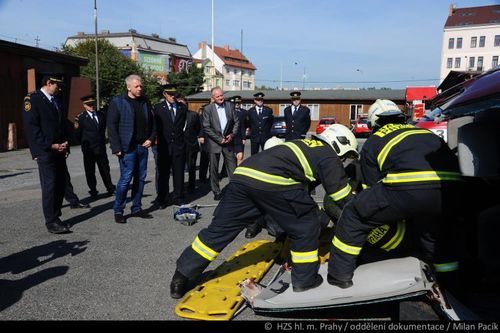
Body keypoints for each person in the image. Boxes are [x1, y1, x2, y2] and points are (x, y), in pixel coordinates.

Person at [169, 124, 358, 299]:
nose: (342, 161)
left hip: (243, 178)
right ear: (339, 143)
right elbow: (341, 195)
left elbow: (298, 193)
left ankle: (181, 277)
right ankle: (304, 281)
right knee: (307, 224)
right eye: (345, 156)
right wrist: (364, 209)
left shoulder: (301, 145)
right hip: (273, 183)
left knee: (219, 231)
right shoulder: (327, 154)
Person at [327, 99, 464, 290]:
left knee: (355, 214)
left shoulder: (374, 140)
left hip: (409, 187)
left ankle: (338, 276)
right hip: (451, 188)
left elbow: (372, 190)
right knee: (436, 235)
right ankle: (452, 287)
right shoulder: (423, 131)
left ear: (374, 123)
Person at [22, 75, 71, 234]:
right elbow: (32, 128)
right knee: (50, 186)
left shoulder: (56, 99)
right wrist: (50, 145)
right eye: (57, 84)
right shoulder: (33, 99)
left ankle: (56, 216)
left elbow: (60, 125)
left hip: (59, 149)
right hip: (46, 150)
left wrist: (65, 143)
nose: (60, 88)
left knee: (60, 184)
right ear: (48, 83)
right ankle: (51, 221)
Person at [107, 74, 155, 223]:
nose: (140, 88)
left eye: (141, 86)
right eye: (137, 86)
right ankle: (118, 210)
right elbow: (112, 126)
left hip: (142, 146)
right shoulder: (118, 101)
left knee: (140, 179)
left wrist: (151, 139)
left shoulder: (145, 101)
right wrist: (116, 147)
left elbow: (153, 123)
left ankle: (136, 208)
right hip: (127, 148)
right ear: (128, 87)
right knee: (126, 179)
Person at [74, 94, 115, 199]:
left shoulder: (101, 115)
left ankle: (110, 188)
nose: (92, 106)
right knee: (90, 171)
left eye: (93, 104)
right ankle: (93, 190)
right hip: (89, 150)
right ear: (84, 105)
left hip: (101, 148)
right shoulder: (81, 118)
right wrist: (84, 145)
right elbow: (77, 135)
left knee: (105, 169)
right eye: (89, 105)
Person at [202, 87, 240, 201]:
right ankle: (216, 191)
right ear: (213, 98)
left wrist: (232, 135)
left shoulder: (229, 106)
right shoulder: (208, 109)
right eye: (218, 96)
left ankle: (235, 190)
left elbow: (236, 122)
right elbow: (206, 127)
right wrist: (219, 139)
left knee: (232, 167)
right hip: (215, 143)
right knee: (214, 169)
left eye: (221, 95)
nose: (220, 98)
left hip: (228, 142)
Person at [153, 84, 187, 207]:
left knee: (178, 173)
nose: (173, 96)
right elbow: (155, 127)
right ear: (164, 94)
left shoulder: (182, 107)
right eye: (170, 94)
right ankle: (163, 197)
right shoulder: (158, 108)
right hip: (164, 147)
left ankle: (178, 197)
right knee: (163, 174)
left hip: (178, 146)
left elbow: (182, 125)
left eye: (174, 94)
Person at [178, 94, 201, 194]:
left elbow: (198, 129)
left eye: (184, 103)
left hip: (191, 145)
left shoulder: (193, 115)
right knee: (179, 168)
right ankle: (180, 187)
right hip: (179, 146)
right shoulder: (175, 115)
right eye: (179, 104)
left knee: (191, 167)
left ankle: (191, 186)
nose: (182, 105)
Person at [230, 95, 248, 165]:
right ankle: (227, 171)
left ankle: (238, 172)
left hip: (239, 137)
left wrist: (244, 137)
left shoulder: (244, 112)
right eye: (235, 103)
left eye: (238, 103)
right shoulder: (229, 112)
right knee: (231, 157)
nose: (237, 104)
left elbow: (244, 125)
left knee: (240, 156)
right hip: (230, 137)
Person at [197, 105, 210, 183]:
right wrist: (201, 136)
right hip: (204, 139)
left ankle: (212, 176)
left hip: (214, 139)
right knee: (204, 159)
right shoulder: (201, 117)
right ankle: (202, 177)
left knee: (213, 159)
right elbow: (200, 127)